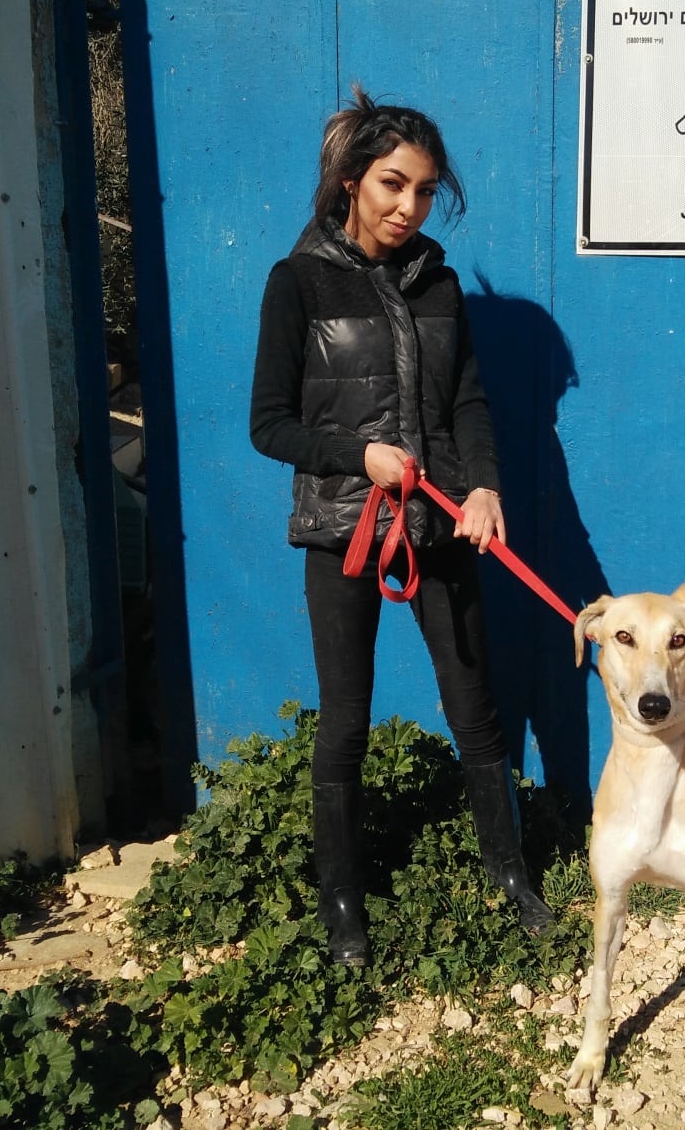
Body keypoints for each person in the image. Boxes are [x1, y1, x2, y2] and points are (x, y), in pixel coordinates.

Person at [249, 86, 554, 965]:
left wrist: (486, 487)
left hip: (443, 530)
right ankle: (343, 907)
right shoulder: (296, 282)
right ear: (350, 180)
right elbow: (268, 423)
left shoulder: (439, 281)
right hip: (343, 532)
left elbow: (467, 401)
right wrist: (360, 455)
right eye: (392, 184)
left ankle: (509, 876)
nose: (407, 206)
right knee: (345, 721)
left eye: (423, 190)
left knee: (477, 710)